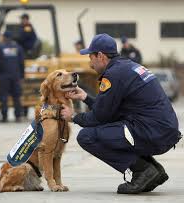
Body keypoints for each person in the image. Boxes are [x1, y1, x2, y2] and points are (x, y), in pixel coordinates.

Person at [60, 33, 182, 194]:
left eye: (91, 58)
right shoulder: (127, 67)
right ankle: (153, 170)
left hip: (152, 132)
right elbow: (108, 110)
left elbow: (99, 117)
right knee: (114, 129)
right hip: (162, 130)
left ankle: (143, 171)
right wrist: (85, 97)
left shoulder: (113, 75)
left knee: (87, 137)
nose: (90, 64)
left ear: (101, 56)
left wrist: (73, 117)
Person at [0, 31, 25, 122]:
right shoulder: (18, 48)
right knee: (16, 96)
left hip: (4, 77)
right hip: (16, 76)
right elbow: (21, 63)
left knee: (4, 96)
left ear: (4, 37)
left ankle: (4, 117)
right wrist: (21, 76)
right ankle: (18, 116)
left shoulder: (0, 47)